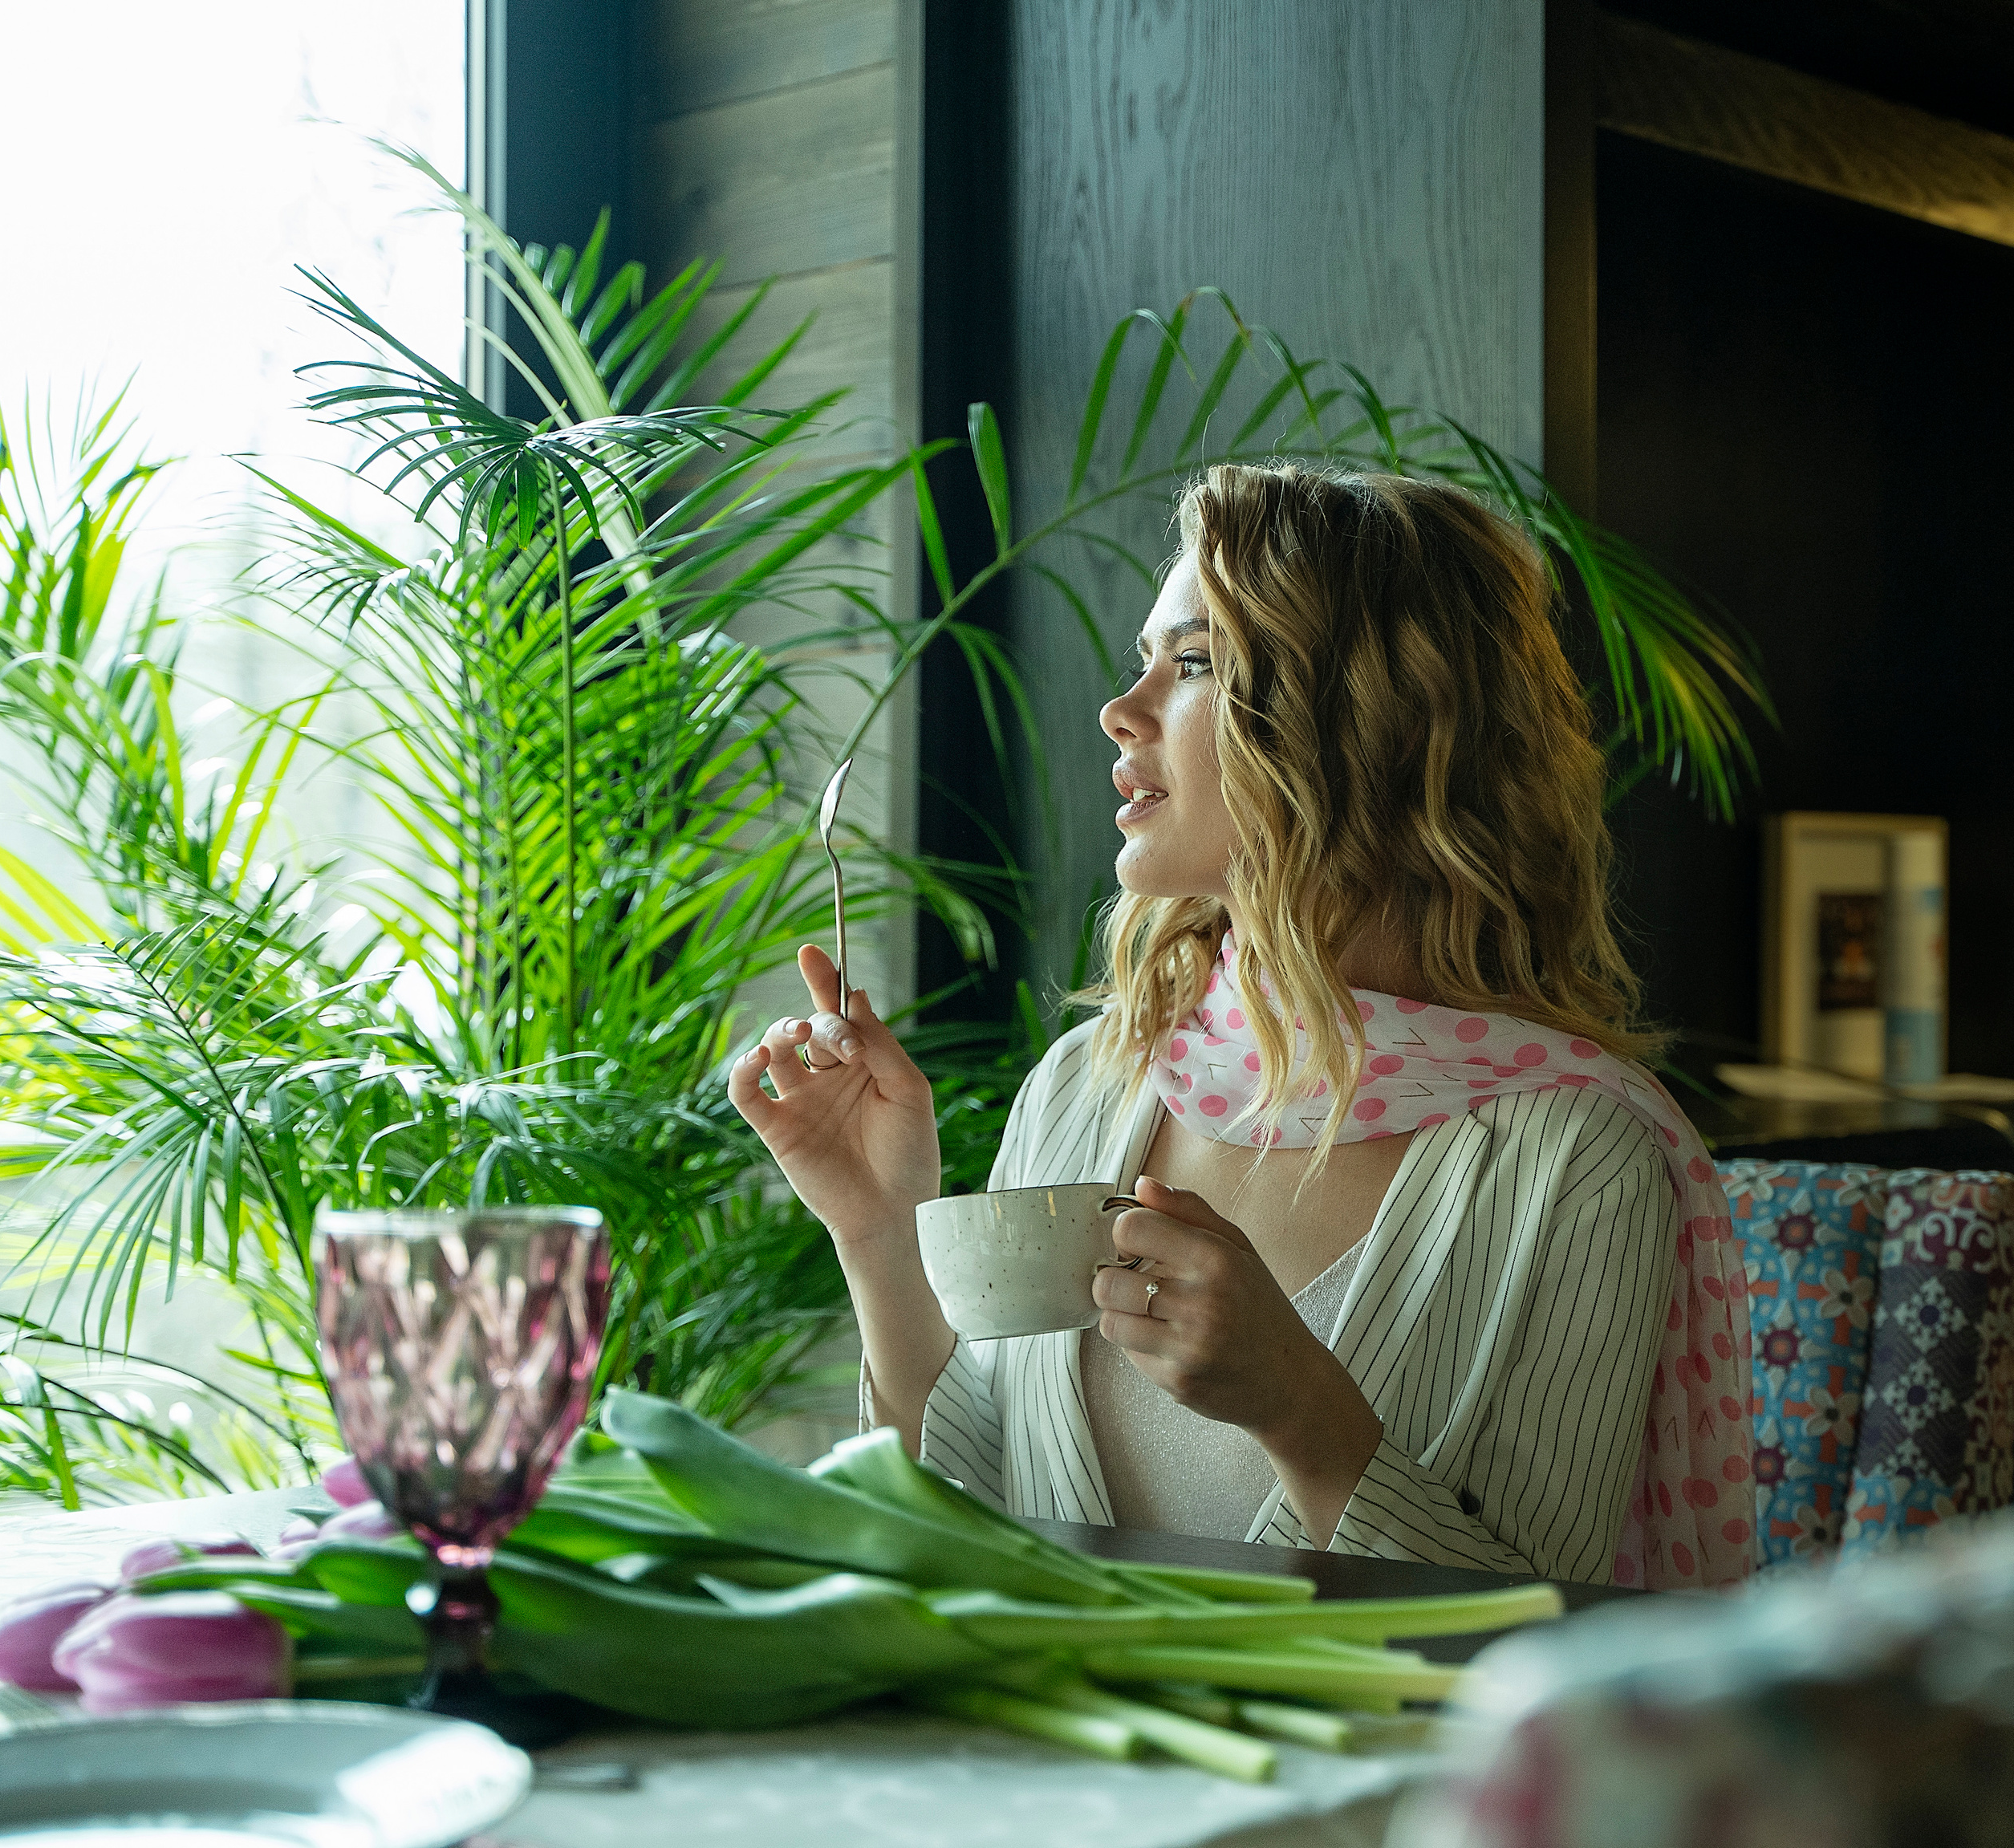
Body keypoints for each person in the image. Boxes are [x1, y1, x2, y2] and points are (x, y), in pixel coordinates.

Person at [729, 463, 1753, 1589]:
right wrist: (880, 1235)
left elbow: (1535, 1635)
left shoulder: (1574, 1157)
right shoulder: (1090, 1085)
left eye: (1196, 664)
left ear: (1368, 724)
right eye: (1142, 665)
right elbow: (973, 1533)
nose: (1121, 712)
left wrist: (1298, 1406)